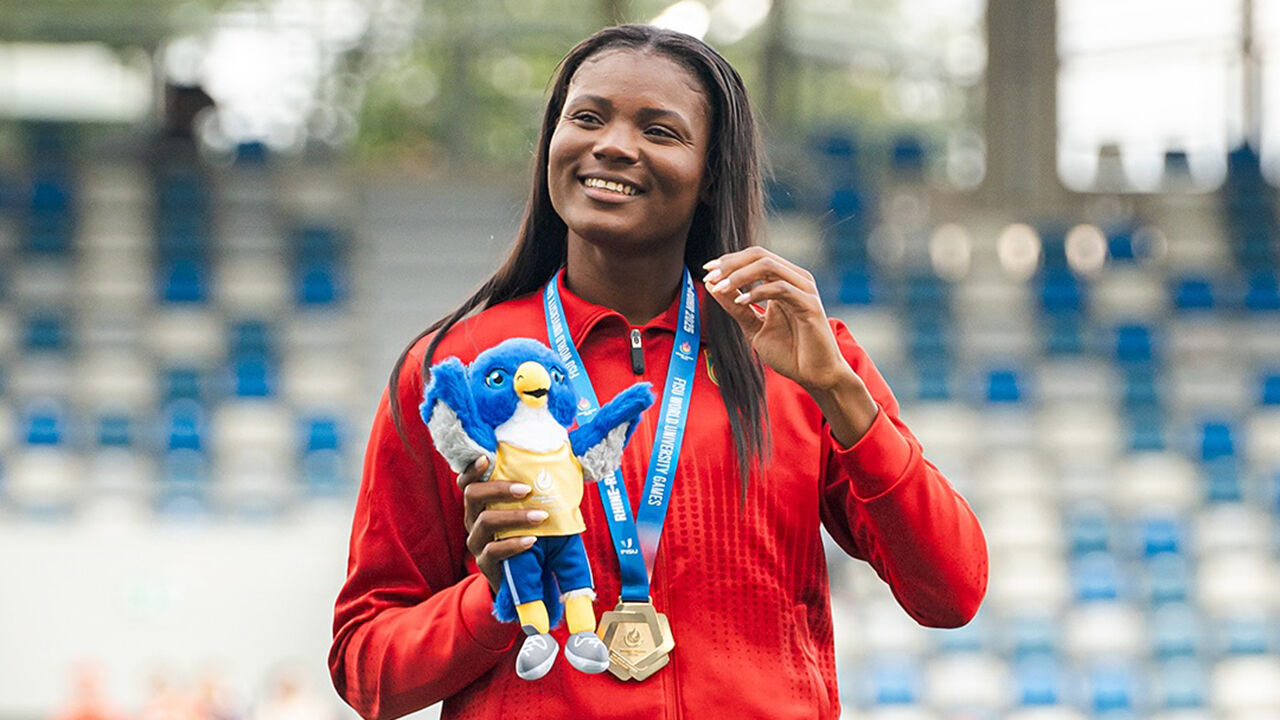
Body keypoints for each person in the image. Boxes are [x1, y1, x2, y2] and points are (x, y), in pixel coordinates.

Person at [330, 23, 987, 720]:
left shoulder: (801, 357)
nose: (613, 144)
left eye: (660, 130)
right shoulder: (453, 373)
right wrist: (492, 596)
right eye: (587, 118)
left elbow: (951, 593)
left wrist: (840, 392)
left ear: (711, 175)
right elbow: (366, 668)